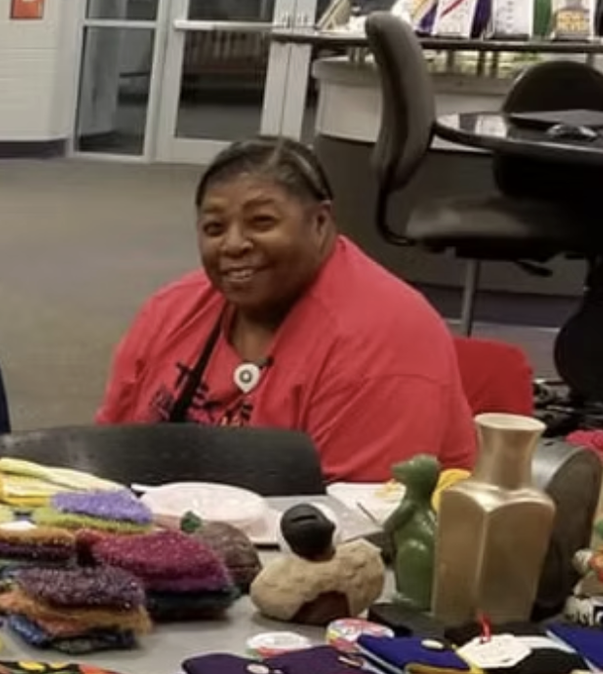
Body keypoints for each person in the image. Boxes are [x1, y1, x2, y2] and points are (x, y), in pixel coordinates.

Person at [96, 136, 476, 483]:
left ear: (320, 222)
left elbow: (354, 529)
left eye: (261, 222)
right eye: (213, 228)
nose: (232, 244)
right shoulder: (173, 309)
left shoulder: (385, 336)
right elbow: (104, 455)